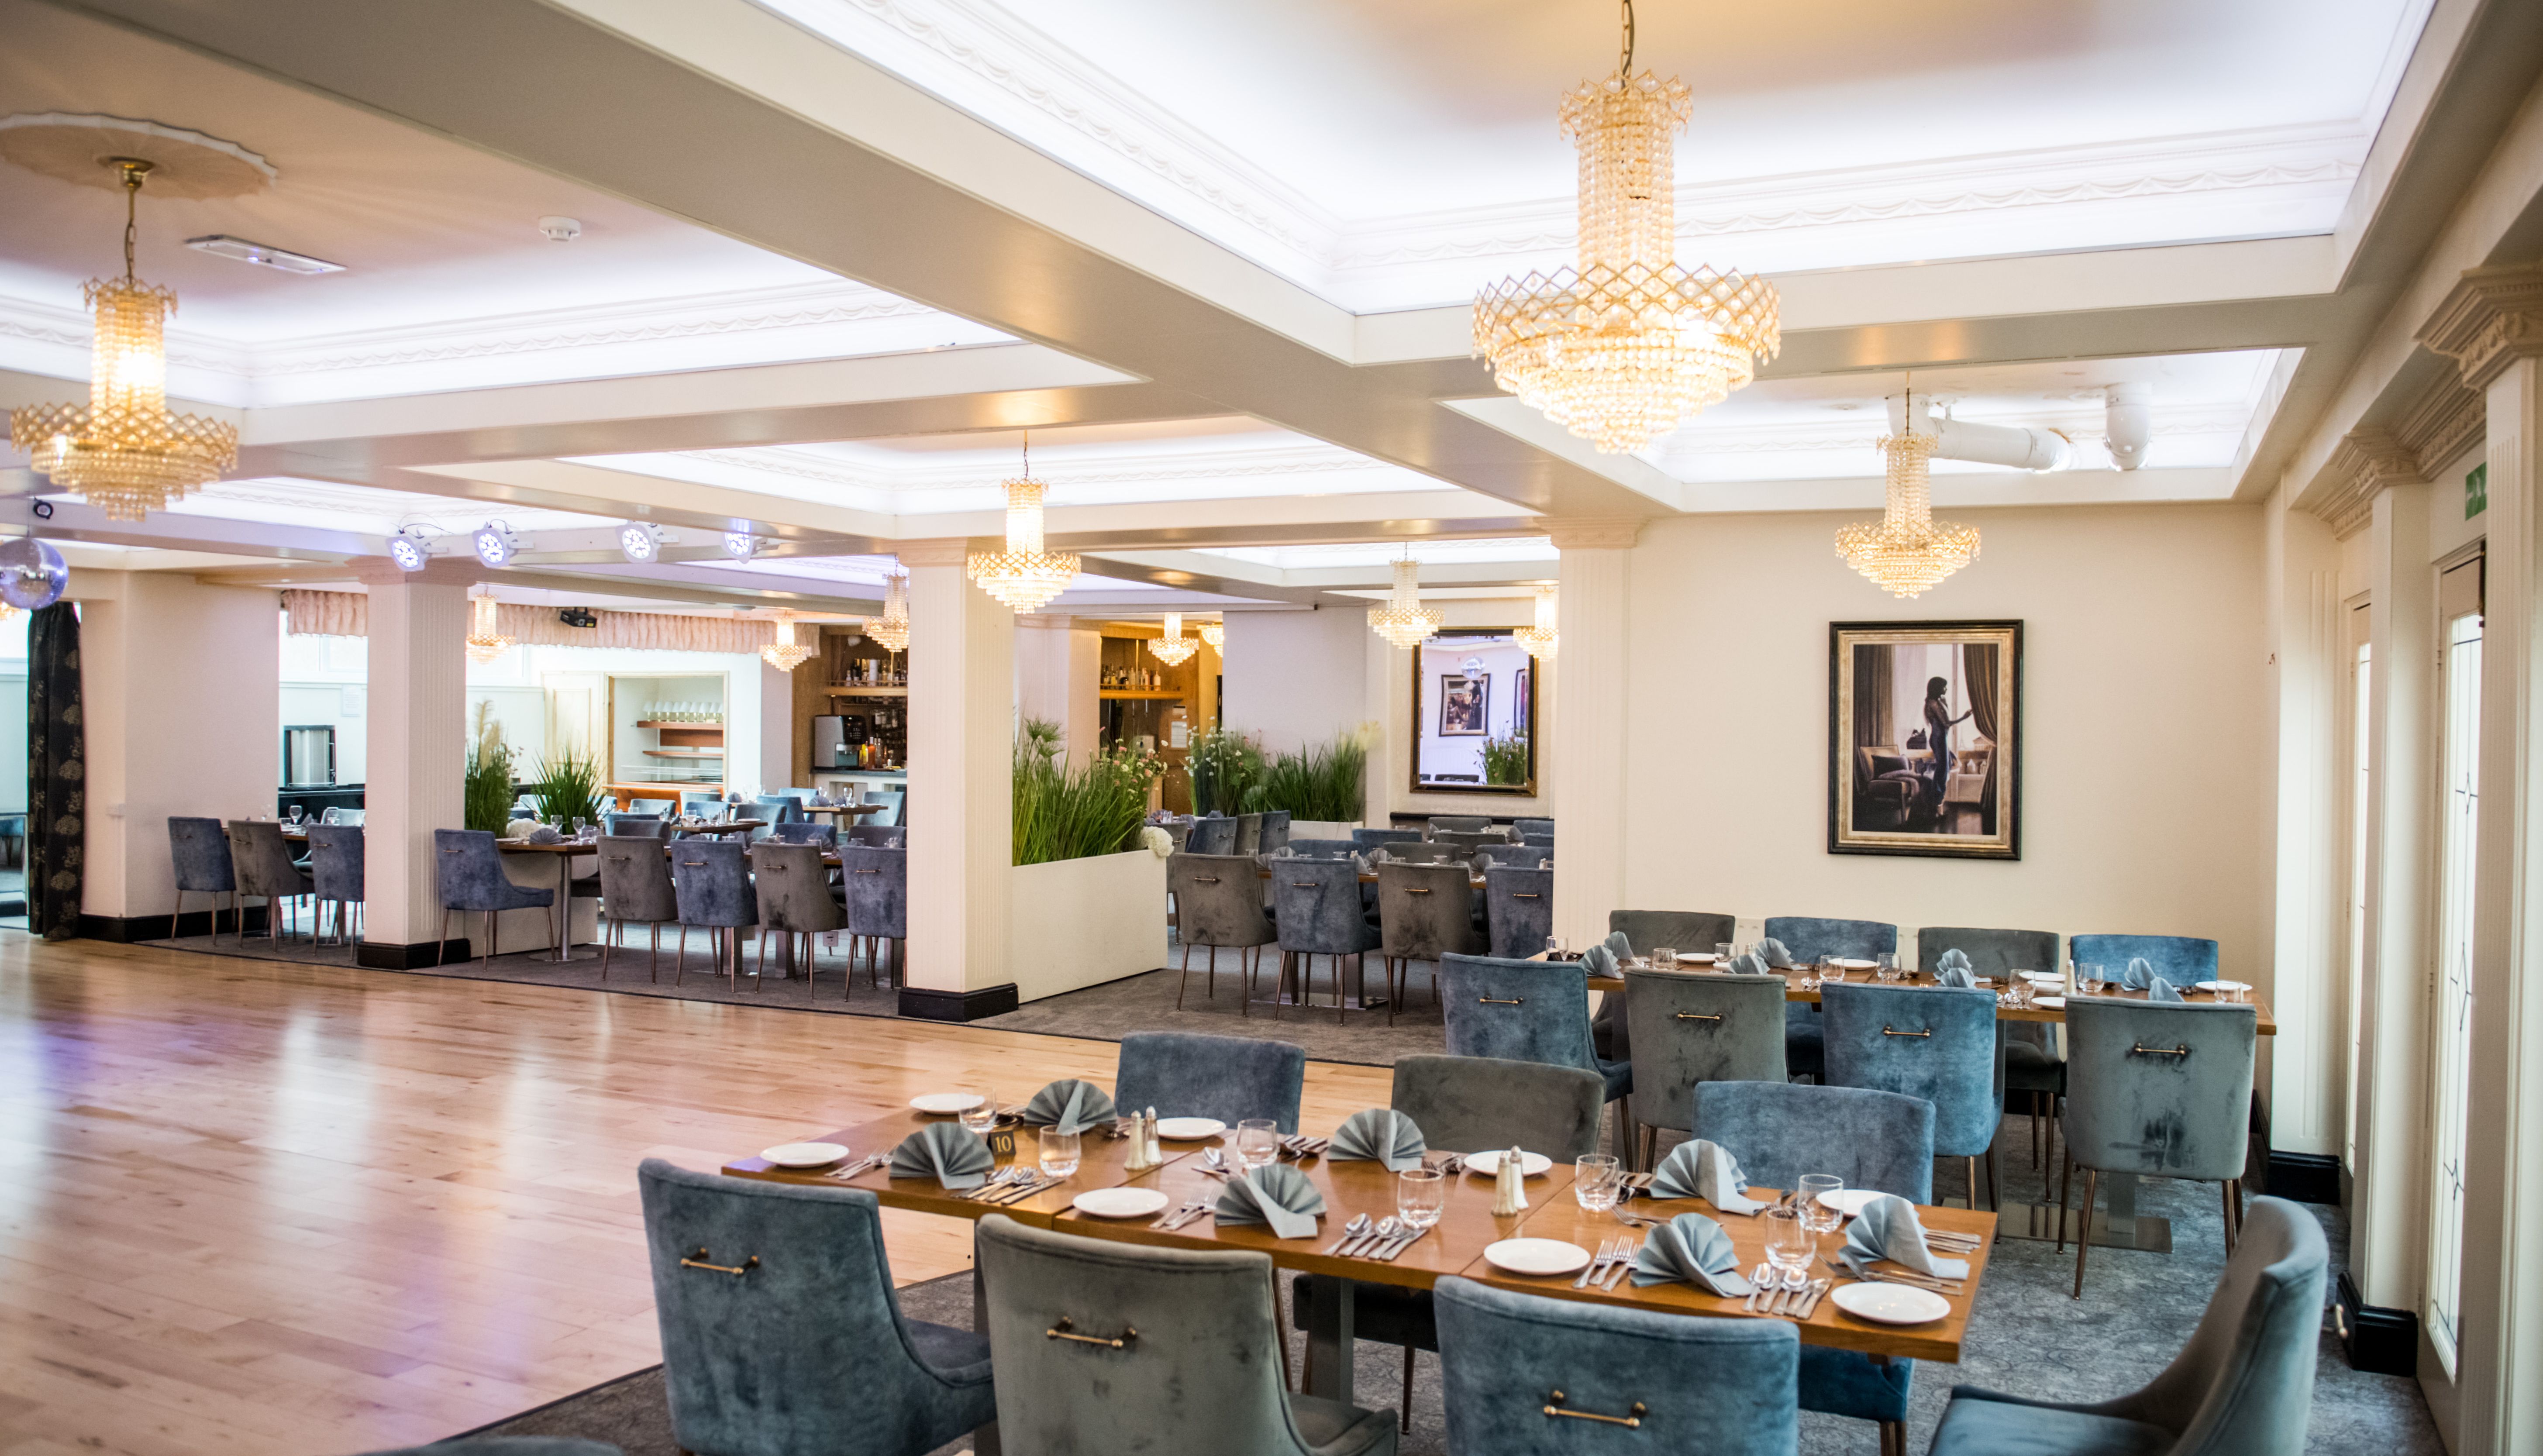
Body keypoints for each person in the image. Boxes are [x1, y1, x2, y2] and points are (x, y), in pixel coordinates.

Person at [1923, 675, 1974, 817]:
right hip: (1939, 739)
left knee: (1943, 771)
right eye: (1944, 686)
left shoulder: (1937, 701)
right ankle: (1936, 805)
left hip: (1940, 738)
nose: (1946, 689)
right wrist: (1964, 717)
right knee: (1942, 772)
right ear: (1937, 688)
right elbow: (1946, 723)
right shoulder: (1933, 703)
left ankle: (1937, 805)